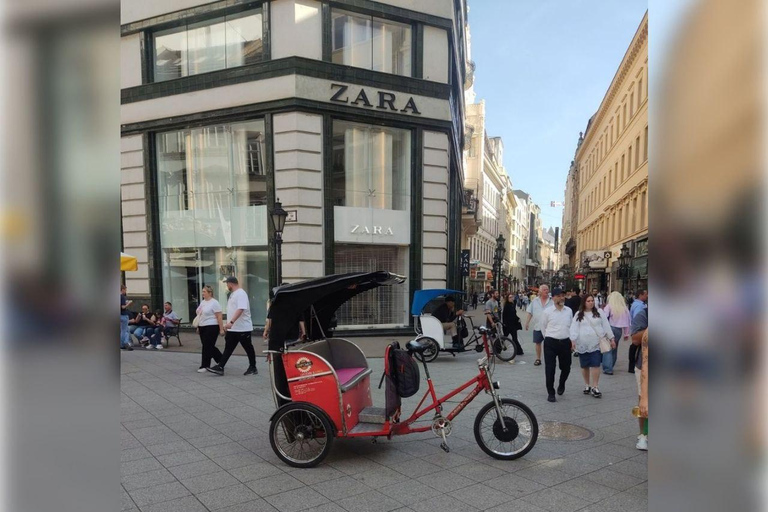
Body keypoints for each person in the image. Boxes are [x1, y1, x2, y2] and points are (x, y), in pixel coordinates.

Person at [207, 277, 257, 376]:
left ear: (230, 283)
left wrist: (231, 322)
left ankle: (253, 367)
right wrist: (229, 324)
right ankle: (220, 367)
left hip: (242, 328)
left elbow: (241, 309)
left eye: (227, 284)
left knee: (248, 348)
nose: (227, 286)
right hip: (233, 328)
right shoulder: (233, 294)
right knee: (228, 348)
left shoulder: (241, 293)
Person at [570, 295, 615, 398]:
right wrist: (573, 340)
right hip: (582, 343)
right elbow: (574, 327)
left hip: (596, 343)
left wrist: (611, 338)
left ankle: (595, 386)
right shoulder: (578, 314)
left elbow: (606, 325)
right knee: (584, 365)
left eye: (592, 301)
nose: (591, 303)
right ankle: (587, 385)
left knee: (595, 364)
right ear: (584, 302)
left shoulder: (599, 313)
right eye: (588, 301)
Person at [539, 288, 573, 402]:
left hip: (565, 342)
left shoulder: (568, 311)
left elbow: (571, 325)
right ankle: (551, 392)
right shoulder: (547, 312)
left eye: (563, 295)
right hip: (551, 342)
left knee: (566, 367)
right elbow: (543, 327)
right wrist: (548, 338)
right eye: (558, 296)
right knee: (550, 369)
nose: (561, 298)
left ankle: (562, 383)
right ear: (553, 298)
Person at [631, 305, 649, 450]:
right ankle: (643, 434)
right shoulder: (644, 314)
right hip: (643, 365)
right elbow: (635, 339)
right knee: (644, 399)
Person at [196, 285, 224, 372]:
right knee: (208, 346)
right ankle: (221, 360)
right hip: (202, 325)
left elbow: (219, 316)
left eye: (204, 292)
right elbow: (200, 314)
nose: (202, 293)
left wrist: (221, 329)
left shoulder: (214, 303)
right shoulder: (203, 302)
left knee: (206, 346)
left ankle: (205, 365)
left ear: (210, 293)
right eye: (202, 291)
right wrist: (198, 326)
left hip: (212, 326)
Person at [602, 291, 631, 374]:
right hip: (619, 330)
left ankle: (608, 368)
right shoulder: (624, 308)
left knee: (608, 348)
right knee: (614, 348)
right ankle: (611, 364)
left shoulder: (609, 306)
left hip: (610, 328)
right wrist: (626, 333)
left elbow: (604, 318)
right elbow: (628, 322)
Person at [525, 284, 553, 366]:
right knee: (538, 343)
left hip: (549, 327)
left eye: (547, 289)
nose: (546, 291)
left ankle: (549, 359)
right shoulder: (535, 301)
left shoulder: (552, 301)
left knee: (549, 344)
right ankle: (538, 359)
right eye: (544, 290)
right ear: (540, 292)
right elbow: (530, 312)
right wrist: (527, 322)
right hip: (538, 326)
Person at [628, 289, 648, 372]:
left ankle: (631, 366)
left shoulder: (635, 304)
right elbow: (638, 318)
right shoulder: (640, 306)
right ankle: (632, 366)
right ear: (640, 295)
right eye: (645, 294)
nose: (647, 296)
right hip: (639, 330)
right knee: (635, 348)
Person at [120, 285, 134, 351]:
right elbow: (123, 307)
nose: (125, 291)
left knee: (121, 330)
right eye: (125, 290)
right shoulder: (122, 296)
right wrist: (128, 303)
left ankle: (122, 344)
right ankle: (124, 343)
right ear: (122, 289)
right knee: (125, 330)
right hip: (123, 315)